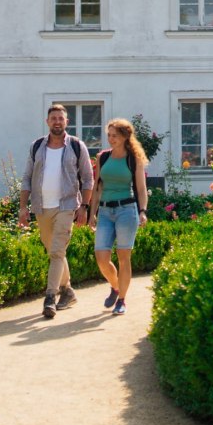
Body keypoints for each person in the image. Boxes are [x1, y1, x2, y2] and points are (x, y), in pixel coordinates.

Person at [18, 103, 94, 320]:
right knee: (54, 251)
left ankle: (50, 297)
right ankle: (68, 290)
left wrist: (84, 207)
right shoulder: (37, 146)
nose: (57, 122)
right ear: (47, 122)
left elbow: (88, 178)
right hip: (41, 207)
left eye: (61, 118)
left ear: (66, 122)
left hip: (67, 206)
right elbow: (26, 177)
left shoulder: (77, 146)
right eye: (54, 119)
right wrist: (23, 207)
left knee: (57, 251)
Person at [92, 117, 150, 317]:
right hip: (105, 211)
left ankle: (122, 300)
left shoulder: (134, 159)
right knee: (101, 258)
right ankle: (115, 287)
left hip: (127, 210)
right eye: (109, 135)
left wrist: (143, 211)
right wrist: (92, 212)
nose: (111, 139)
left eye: (114, 136)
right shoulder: (103, 157)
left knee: (123, 257)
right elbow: (97, 187)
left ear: (125, 137)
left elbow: (141, 189)